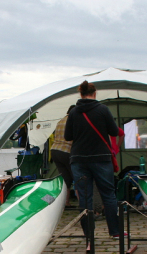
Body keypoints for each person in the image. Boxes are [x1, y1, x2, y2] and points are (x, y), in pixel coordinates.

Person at [65, 80, 123, 244]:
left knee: (84, 197)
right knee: (108, 195)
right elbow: (113, 131)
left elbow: (68, 136)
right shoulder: (103, 110)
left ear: (81, 94)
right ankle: (115, 231)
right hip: (101, 158)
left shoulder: (74, 112)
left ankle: (89, 235)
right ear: (95, 93)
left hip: (79, 159)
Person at [50, 105, 76, 206]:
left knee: (65, 179)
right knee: (77, 178)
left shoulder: (60, 121)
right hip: (67, 151)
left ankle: (65, 202)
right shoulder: (72, 121)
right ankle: (84, 204)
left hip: (55, 151)